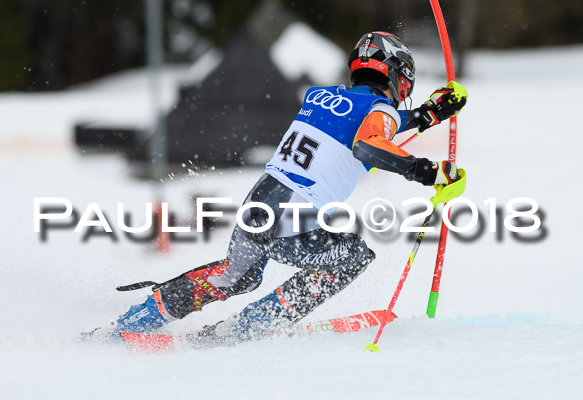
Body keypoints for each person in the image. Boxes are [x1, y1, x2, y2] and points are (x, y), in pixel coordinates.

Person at [84, 31, 468, 346]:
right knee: (352, 255)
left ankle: (131, 324)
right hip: (291, 216)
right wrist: (427, 172)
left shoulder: (322, 97)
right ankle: (254, 325)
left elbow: (369, 123)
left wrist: (428, 114)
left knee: (235, 277)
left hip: (258, 205)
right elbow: (369, 142)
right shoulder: (379, 113)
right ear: (397, 74)